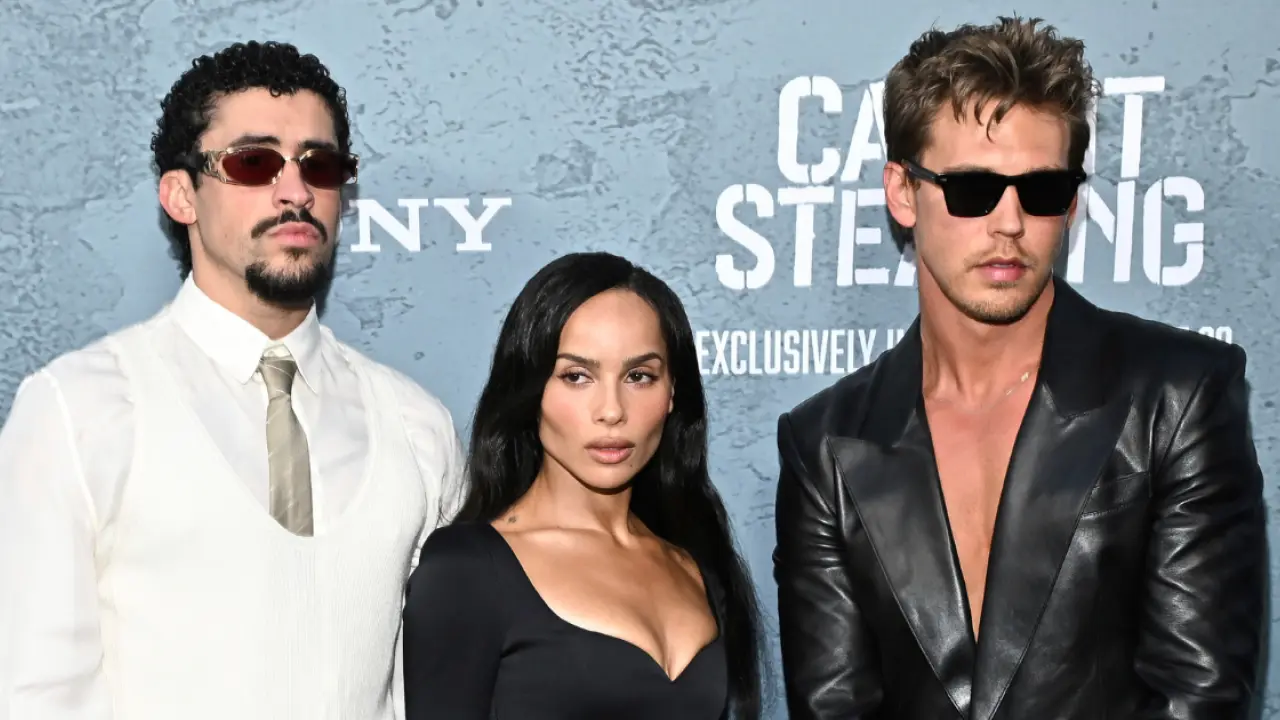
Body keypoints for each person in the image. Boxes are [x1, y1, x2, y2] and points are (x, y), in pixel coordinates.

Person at [773, 16, 1266, 720]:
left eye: (1041, 191)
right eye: (973, 189)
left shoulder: (1178, 397)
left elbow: (1200, 698)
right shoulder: (826, 444)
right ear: (903, 192)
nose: (1009, 223)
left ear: (1071, 203)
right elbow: (835, 707)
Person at [0, 41, 464, 720]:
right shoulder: (78, 410)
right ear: (181, 194)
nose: (296, 191)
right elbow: (35, 694)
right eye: (255, 162)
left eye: (320, 165)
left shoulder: (416, 425)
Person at [400, 252, 765, 719]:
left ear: (672, 391)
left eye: (639, 376)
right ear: (531, 390)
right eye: (577, 376)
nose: (611, 410)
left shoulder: (696, 560)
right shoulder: (465, 571)